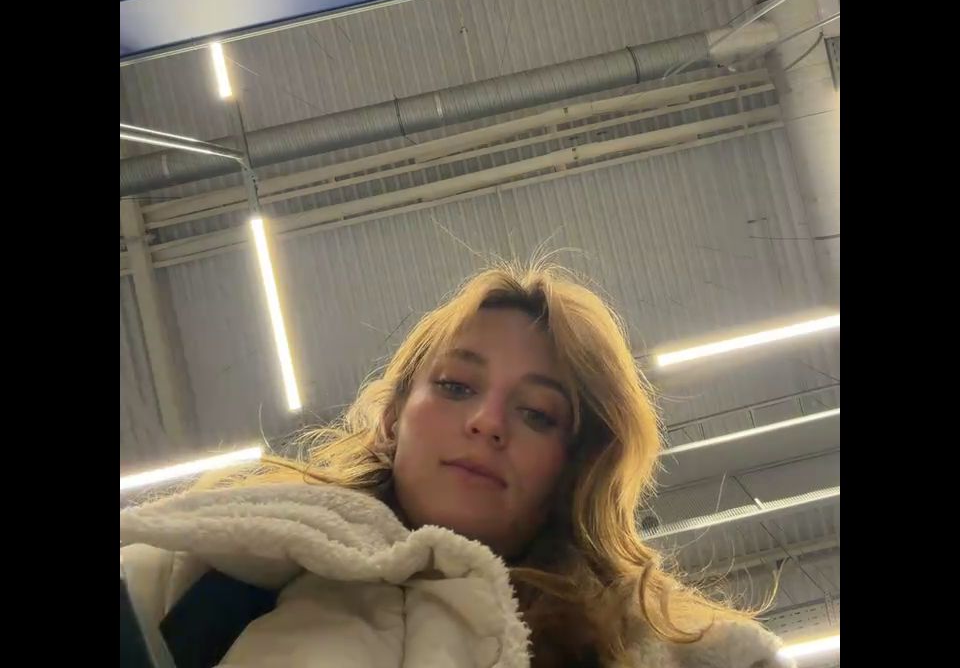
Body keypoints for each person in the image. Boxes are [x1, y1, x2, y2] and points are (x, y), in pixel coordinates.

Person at [121, 262, 793, 667]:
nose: (488, 421)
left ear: (572, 468)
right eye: (455, 386)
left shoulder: (655, 651)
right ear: (391, 418)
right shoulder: (226, 559)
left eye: (538, 414)